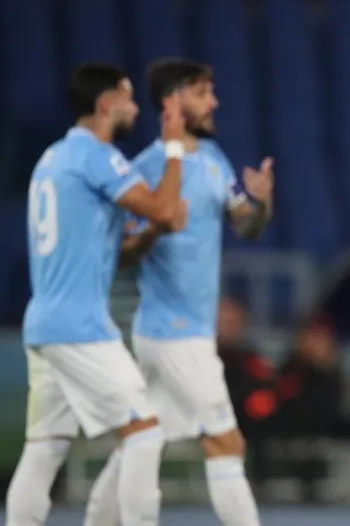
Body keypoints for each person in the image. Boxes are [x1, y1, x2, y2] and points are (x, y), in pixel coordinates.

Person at [84, 59, 274, 526]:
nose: (214, 102)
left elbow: (246, 225)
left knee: (141, 440)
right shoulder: (147, 168)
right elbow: (120, 252)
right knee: (226, 442)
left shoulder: (212, 159)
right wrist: (155, 229)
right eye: (202, 93)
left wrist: (262, 202)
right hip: (174, 333)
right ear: (173, 101)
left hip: (183, 332)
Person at [7, 63, 186, 526]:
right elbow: (165, 209)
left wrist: (148, 235)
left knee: (44, 448)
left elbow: (116, 255)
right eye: (128, 98)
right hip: (80, 325)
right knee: (145, 432)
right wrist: (172, 147)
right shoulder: (95, 155)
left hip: (44, 321)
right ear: (106, 104)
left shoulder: (53, 158)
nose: (135, 108)